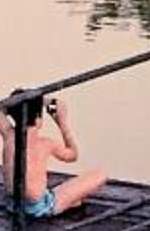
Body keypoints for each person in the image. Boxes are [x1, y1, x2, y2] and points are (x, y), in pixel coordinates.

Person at [7, 92, 110, 221]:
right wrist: (61, 122)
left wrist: (28, 102)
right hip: (41, 207)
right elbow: (72, 155)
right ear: (38, 119)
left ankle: (72, 202)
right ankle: (69, 202)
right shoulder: (45, 144)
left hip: (14, 205)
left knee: (73, 198)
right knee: (100, 174)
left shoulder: (8, 135)